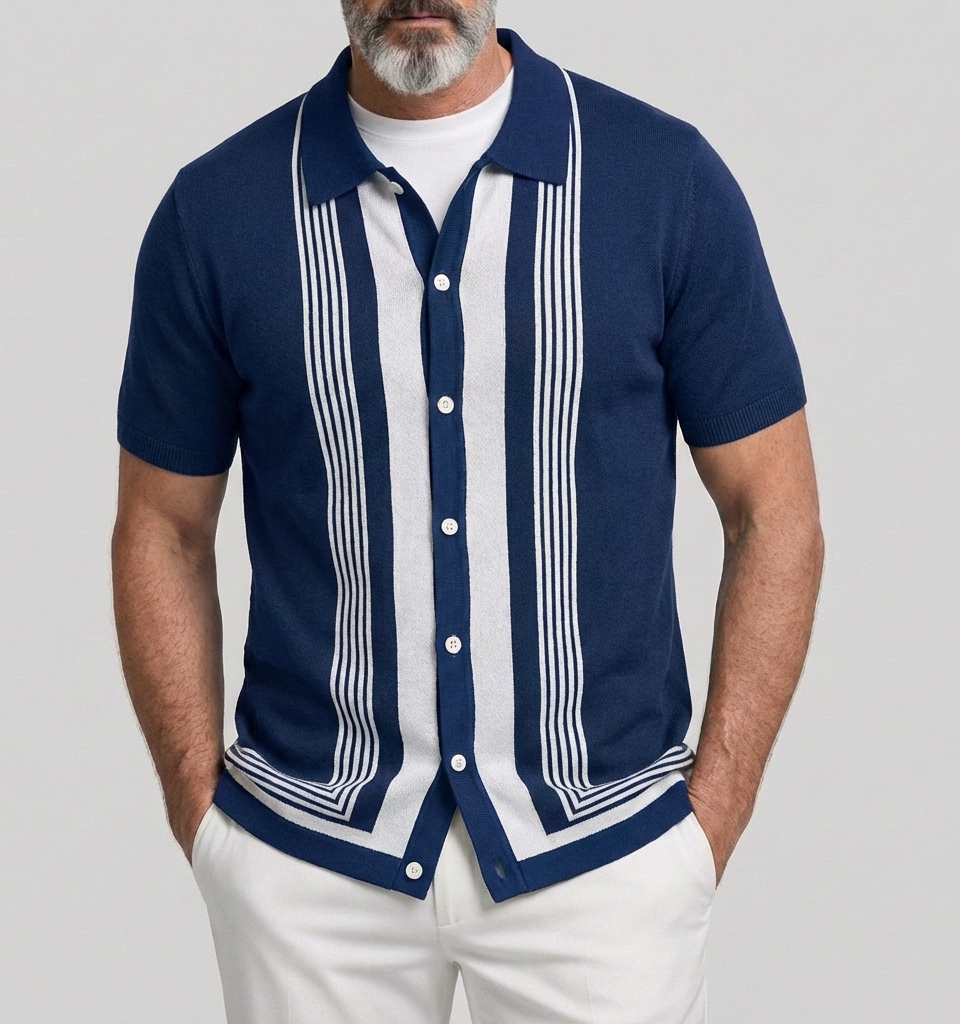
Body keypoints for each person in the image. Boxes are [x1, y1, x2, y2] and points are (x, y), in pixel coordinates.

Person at [112, 2, 824, 1021]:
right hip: (308, 859)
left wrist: (711, 814)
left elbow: (775, 509)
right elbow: (162, 526)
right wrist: (202, 808)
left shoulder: (661, 181)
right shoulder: (220, 210)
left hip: (603, 854)